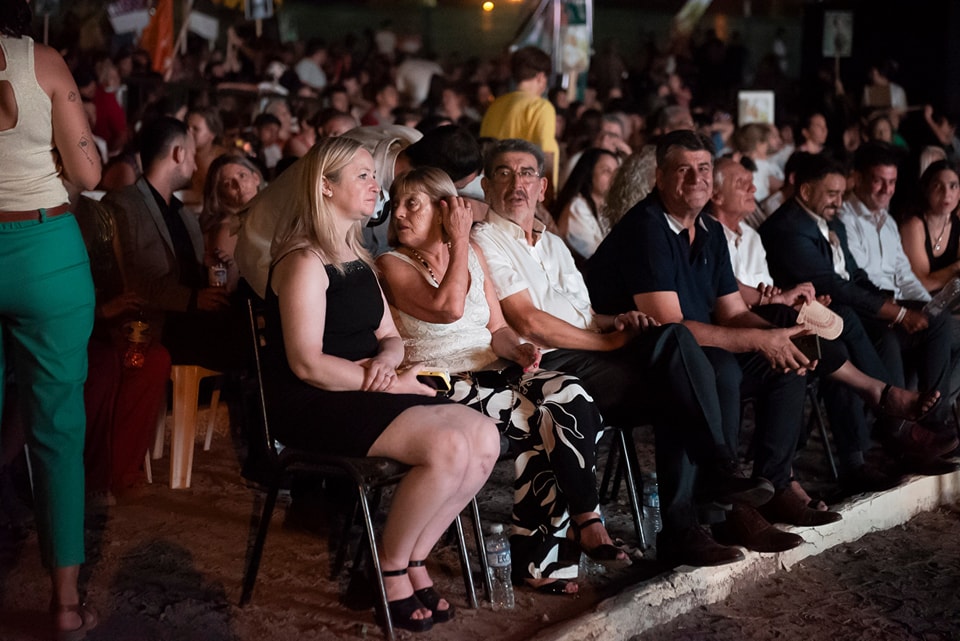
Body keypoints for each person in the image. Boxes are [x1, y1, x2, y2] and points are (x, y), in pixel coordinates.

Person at [472, 138, 777, 567]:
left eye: (526, 174)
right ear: (485, 186)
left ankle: (690, 522)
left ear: (542, 187)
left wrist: (616, 321)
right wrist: (606, 341)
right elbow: (528, 322)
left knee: (688, 362)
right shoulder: (485, 239)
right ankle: (712, 479)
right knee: (678, 358)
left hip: (590, 352)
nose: (516, 183)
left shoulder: (552, 245)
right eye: (503, 173)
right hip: (547, 365)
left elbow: (585, 312)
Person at [262, 137, 499, 631]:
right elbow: (307, 365)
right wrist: (391, 384)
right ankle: (385, 568)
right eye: (363, 176)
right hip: (315, 402)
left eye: (375, 175)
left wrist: (389, 361)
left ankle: (412, 560)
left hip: (362, 388)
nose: (378, 186)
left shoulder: (359, 256)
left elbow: (389, 337)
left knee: (485, 438)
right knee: (451, 446)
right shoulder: (303, 260)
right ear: (325, 187)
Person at [378, 167, 624, 594]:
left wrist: (519, 349)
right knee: (543, 424)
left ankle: (584, 521)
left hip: (494, 372)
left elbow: (498, 329)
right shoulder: (391, 263)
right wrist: (457, 242)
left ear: (443, 209)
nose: (397, 214)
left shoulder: (470, 252)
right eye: (396, 204)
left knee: (573, 395)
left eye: (411, 204)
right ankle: (553, 551)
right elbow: (449, 307)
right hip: (439, 380)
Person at [587, 131, 842, 538]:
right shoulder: (647, 228)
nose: (696, 178)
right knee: (720, 368)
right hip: (628, 358)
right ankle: (714, 516)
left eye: (703, 168)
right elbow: (671, 329)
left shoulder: (708, 229)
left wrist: (780, 338)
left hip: (688, 353)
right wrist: (763, 339)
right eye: (683, 170)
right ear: (660, 177)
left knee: (783, 363)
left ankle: (772, 486)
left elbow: (733, 312)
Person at [710, 158, 934, 494]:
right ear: (715, 193)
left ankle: (806, 473)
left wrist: (784, 299)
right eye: (743, 183)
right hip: (730, 338)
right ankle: (885, 412)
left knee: (834, 340)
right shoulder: (766, 229)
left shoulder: (754, 238)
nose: (755, 189)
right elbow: (726, 298)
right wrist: (777, 300)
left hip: (771, 324)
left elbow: (846, 279)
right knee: (825, 337)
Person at [0, 2, 103, 638]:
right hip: (46, 254)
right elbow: (89, 172)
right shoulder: (40, 62)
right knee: (58, 429)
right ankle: (65, 605)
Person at [761, 152, 959, 462]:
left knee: (939, 322)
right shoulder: (788, 227)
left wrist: (888, 303)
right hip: (812, 314)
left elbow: (854, 275)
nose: (839, 201)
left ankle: (927, 421)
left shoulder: (829, 221)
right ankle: (897, 424)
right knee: (877, 332)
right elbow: (831, 284)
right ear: (806, 191)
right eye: (832, 194)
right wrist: (895, 312)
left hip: (845, 308)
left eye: (842, 193)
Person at [105, 117, 240, 371]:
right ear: (178, 154)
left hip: (192, 325)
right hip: (152, 326)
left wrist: (215, 270)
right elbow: (132, 281)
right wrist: (194, 300)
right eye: (192, 156)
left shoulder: (184, 214)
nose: (196, 168)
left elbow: (196, 279)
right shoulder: (125, 205)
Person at [74, 196, 172, 504]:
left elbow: (120, 283)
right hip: (69, 326)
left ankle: (123, 471)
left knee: (151, 358)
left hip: (105, 323)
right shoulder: (40, 209)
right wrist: (101, 312)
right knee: (102, 365)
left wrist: (128, 320)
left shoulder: (102, 215)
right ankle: (92, 477)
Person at [480, 46, 561, 190]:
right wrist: (547, 197)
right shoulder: (541, 107)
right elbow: (546, 155)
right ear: (541, 77)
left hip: (496, 188)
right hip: (526, 191)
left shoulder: (495, 106)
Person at [900, 159, 960, 293]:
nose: (946, 194)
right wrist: (956, 268)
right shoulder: (914, 225)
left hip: (950, 297)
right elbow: (921, 284)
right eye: (938, 186)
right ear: (926, 190)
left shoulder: (957, 222)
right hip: (920, 300)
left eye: (953, 186)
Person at [552, 148, 620, 262]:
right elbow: (592, 253)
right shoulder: (577, 208)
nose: (614, 178)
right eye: (606, 171)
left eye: (616, 172)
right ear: (589, 173)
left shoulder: (609, 208)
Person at [199, 153, 263, 265]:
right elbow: (223, 279)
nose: (239, 185)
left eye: (242, 176)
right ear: (221, 196)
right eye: (228, 184)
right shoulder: (227, 231)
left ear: (256, 178)